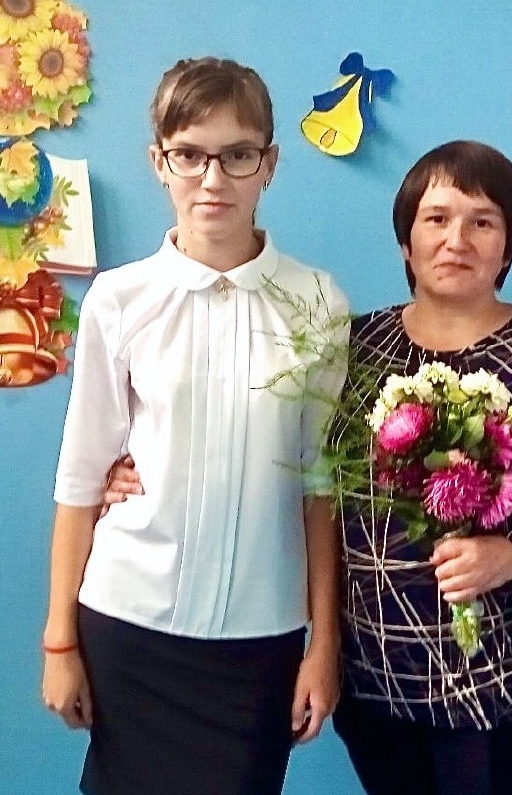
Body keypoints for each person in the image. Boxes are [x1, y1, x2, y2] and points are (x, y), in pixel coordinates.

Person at [42, 57, 348, 795]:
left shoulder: (317, 302)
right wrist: (59, 642)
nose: (212, 179)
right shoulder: (119, 300)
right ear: (160, 162)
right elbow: (80, 478)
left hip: (259, 640)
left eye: (237, 154)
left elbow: (320, 488)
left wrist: (323, 645)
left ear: (269, 163)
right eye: (189, 154)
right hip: (128, 625)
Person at [329, 140, 512, 795]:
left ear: (509, 246)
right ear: (406, 239)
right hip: (373, 685)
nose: (456, 240)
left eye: (482, 221)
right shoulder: (354, 350)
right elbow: (299, 477)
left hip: (502, 693)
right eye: (436, 218)